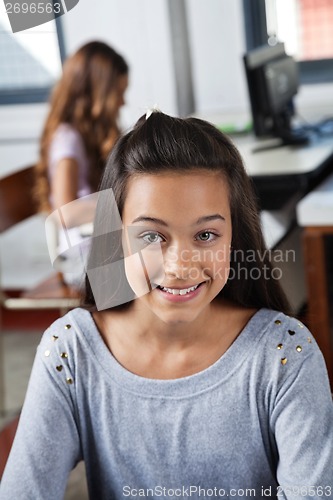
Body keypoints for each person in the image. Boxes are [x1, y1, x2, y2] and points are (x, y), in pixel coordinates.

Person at [1, 111, 332, 499]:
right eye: (151, 236)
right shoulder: (70, 352)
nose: (179, 266)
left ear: (234, 237)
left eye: (206, 234)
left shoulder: (285, 355)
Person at [34, 40, 129, 285]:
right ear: (98, 94)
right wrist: (123, 200)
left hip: (100, 244)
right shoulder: (68, 140)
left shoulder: (90, 135)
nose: (123, 102)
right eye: (119, 93)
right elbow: (64, 214)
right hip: (81, 258)